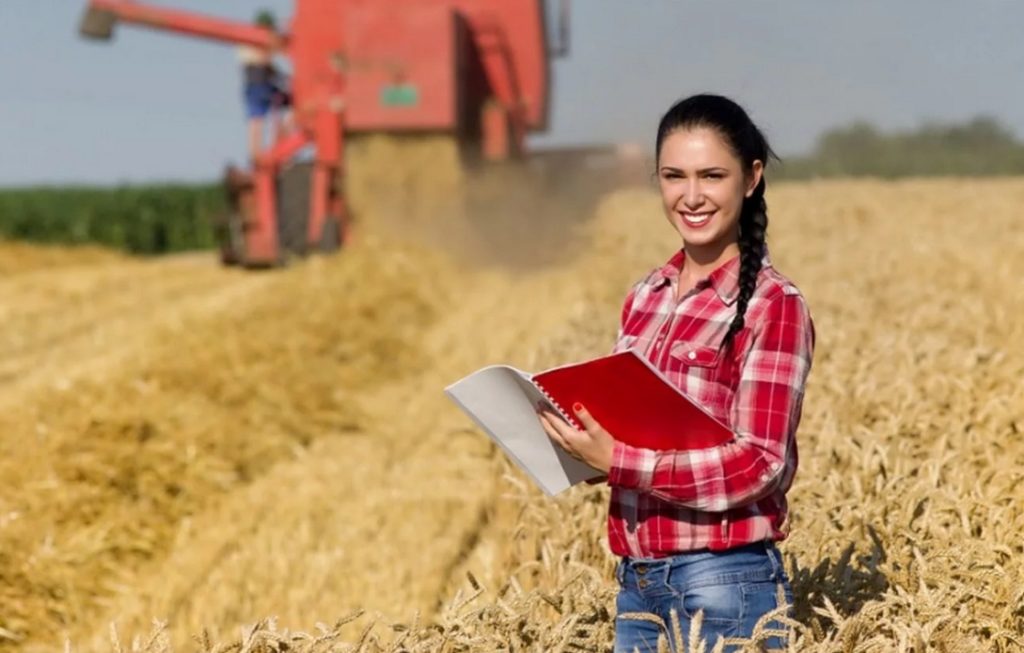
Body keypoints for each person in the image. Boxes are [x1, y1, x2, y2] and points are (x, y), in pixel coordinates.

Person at [538, 94, 815, 652]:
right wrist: (576, 448)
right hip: (637, 586)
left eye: (712, 176)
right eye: (674, 176)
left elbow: (760, 464)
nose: (691, 196)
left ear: (751, 178)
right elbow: (636, 439)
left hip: (726, 584)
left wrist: (619, 461)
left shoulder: (773, 305)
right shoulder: (646, 295)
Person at [239, 10, 292, 160]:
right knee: (257, 120)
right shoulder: (252, 43)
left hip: (259, 86)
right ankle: (259, 154)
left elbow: (269, 66)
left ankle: (274, 148)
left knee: (257, 119)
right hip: (258, 86)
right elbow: (263, 61)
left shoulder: (250, 42)